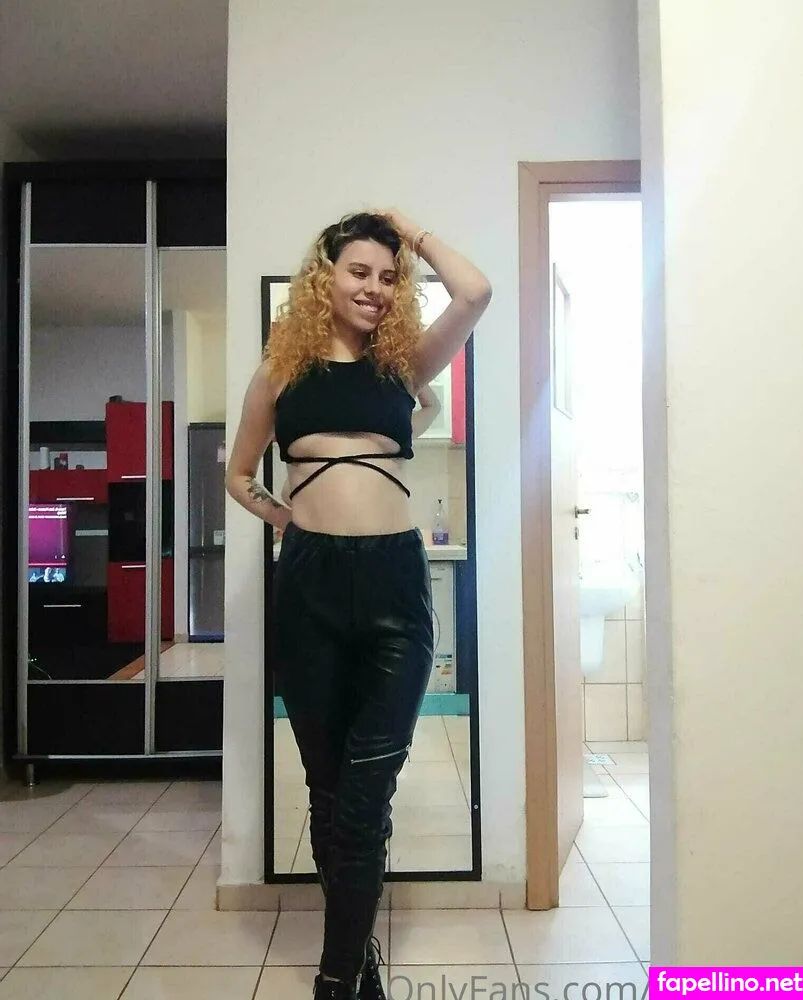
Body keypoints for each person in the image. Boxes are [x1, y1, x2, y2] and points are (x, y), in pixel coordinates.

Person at [225, 209, 491, 1000]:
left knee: (367, 792)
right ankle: (356, 954)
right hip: (309, 585)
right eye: (358, 271)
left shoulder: (402, 368)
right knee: (330, 789)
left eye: (387, 275)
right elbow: (238, 473)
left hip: (393, 589)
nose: (373, 287)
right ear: (325, 278)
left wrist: (412, 233)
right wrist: (287, 519)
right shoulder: (281, 371)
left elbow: (475, 292)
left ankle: (336, 975)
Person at [278, 383, 442, 506]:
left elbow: (432, 406)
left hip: (386, 533)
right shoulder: (390, 434)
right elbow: (432, 405)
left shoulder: (390, 434)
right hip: (317, 534)